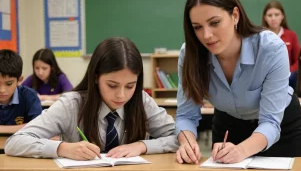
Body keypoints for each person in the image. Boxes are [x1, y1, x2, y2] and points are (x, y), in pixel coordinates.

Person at [175, 0, 301, 165]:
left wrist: (242, 150)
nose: (206, 35)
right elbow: (186, 116)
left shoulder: (271, 48)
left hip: (280, 127)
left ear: (235, 16)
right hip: (228, 126)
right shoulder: (189, 54)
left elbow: (270, 121)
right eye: (197, 27)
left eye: (214, 22)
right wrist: (187, 144)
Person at [5, 37, 178, 160]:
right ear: (95, 78)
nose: (121, 95)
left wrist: (142, 146)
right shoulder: (71, 104)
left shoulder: (141, 100)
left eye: (130, 86)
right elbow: (15, 142)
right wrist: (62, 148)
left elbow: (179, 138)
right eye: (112, 85)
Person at [0, 49, 42, 132]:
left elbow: (37, 126)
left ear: (19, 80)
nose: (2, 90)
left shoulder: (29, 96)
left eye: (9, 84)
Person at [262, 0, 300, 72]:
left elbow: (298, 60)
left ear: (282, 16)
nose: (273, 18)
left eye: (276, 14)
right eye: (270, 15)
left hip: (287, 78)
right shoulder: (260, 36)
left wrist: (288, 73)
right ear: (265, 18)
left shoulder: (291, 35)